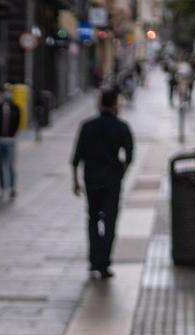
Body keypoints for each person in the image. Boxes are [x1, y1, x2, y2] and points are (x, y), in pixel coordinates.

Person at [71, 88, 136, 279]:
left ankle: (93, 260)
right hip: (112, 181)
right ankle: (104, 262)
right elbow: (130, 155)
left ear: (100, 104)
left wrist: (75, 181)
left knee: (92, 219)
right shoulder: (122, 127)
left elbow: (76, 157)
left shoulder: (87, 126)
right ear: (115, 103)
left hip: (91, 179)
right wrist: (121, 170)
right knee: (110, 221)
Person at [0, 85, 22, 199]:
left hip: (10, 140)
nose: (8, 94)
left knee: (11, 164)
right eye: (6, 92)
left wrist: (13, 134)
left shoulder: (15, 107)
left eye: (9, 92)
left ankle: (12, 188)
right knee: (0, 165)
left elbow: (18, 121)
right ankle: (2, 188)